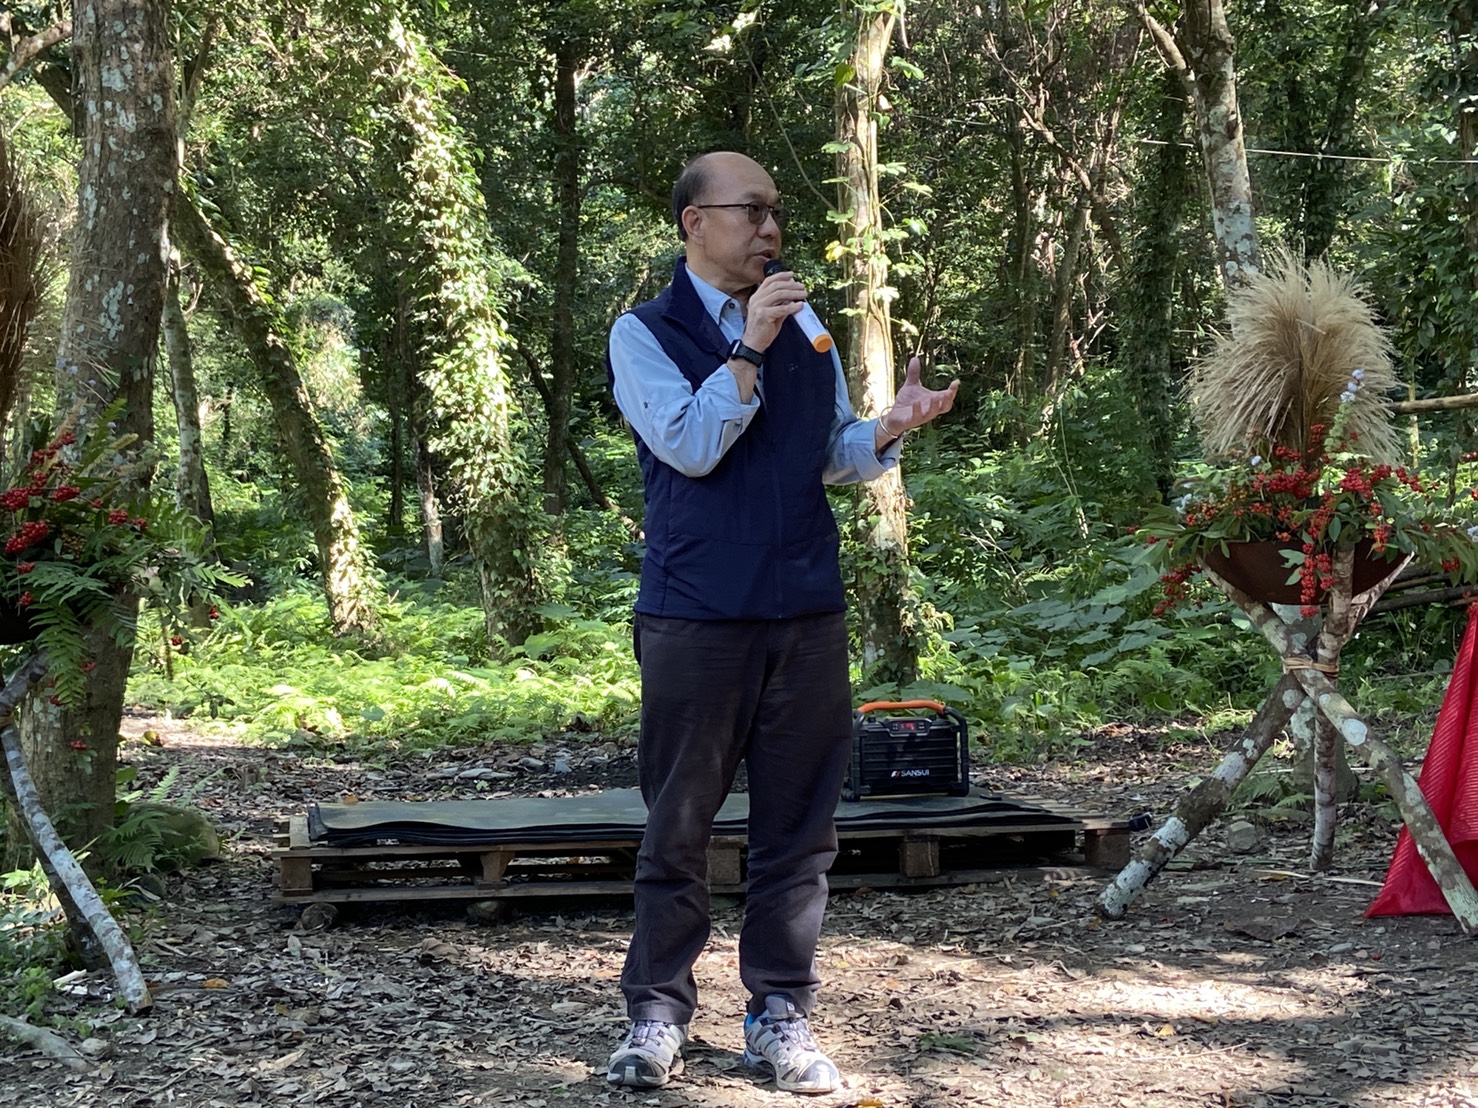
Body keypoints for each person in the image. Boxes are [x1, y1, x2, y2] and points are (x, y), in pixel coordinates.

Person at [604, 150, 958, 1096]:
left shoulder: (807, 327)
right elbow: (688, 446)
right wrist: (749, 348)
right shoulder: (644, 333)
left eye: (776, 213)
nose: (771, 229)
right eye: (751, 211)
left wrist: (888, 428)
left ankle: (779, 1015)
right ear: (694, 223)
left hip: (805, 608)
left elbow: (827, 455)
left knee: (799, 832)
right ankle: (656, 1016)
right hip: (696, 613)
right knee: (678, 824)